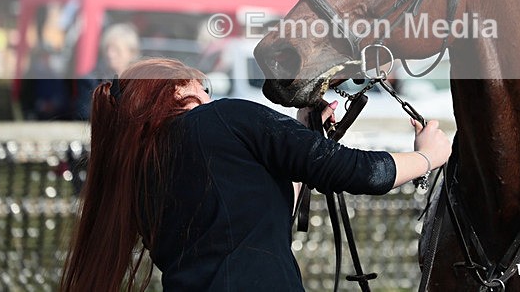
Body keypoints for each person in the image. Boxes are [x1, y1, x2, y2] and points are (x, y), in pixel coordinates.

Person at [60, 57, 452, 291]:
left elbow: (260, 214)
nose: (208, 92)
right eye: (202, 83)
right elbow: (361, 172)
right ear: (178, 88)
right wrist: (427, 157)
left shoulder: (139, 168)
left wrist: (306, 133)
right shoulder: (224, 117)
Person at [72, 22, 140, 119]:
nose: (110, 54)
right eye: (107, 49)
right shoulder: (90, 80)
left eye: (116, 50)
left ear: (132, 53)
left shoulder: (140, 82)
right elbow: (84, 114)